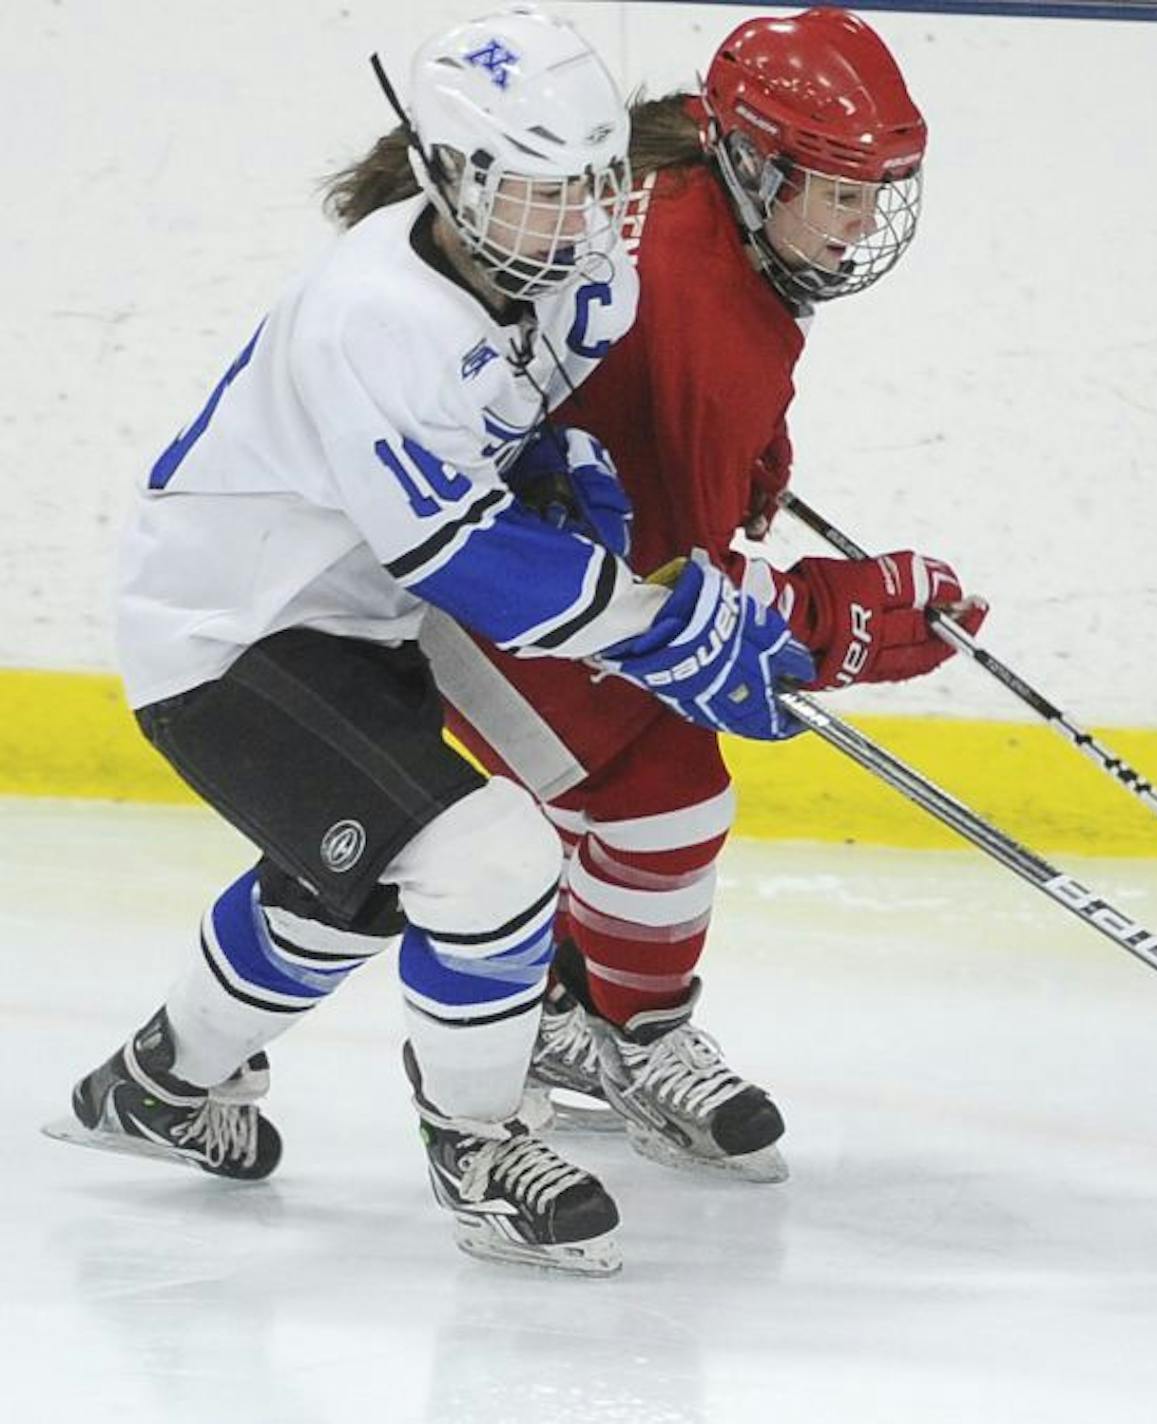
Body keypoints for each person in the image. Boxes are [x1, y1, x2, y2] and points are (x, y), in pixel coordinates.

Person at [44, 5, 815, 1276]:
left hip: (352, 622)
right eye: (532, 191)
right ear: (451, 177)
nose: (571, 221)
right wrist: (663, 627)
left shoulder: (576, 267)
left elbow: (534, 438)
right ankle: (478, 1141)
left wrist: (580, 476)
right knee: (489, 856)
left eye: (588, 186)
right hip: (228, 630)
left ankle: (157, 1085)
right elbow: (461, 554)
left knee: (343, 889)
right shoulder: (375, 315)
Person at [331, 7, 981, 1178]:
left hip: (526, 524)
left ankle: (580, 1000)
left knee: (639, 784)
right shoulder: (694, 286)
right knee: (658, 787)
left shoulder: (691, 172)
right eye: (839, 192)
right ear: (757, 163)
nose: (864, 222)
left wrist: (741, 443)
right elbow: (678, 593)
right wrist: (841, 620)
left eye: (876, 191)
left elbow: (658, 466)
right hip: (453, 557)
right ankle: (622, 1034)